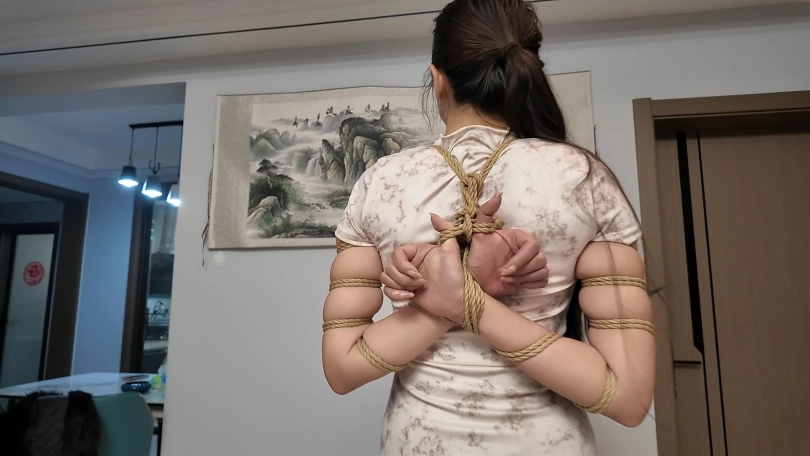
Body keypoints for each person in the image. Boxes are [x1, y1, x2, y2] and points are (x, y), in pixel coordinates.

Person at [320, 0, 654, 454]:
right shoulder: (583, 179)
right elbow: (628, 398)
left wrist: (454, 301)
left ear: (437, 79)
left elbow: (342, 369)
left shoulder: (381, 182)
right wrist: (473, 297)